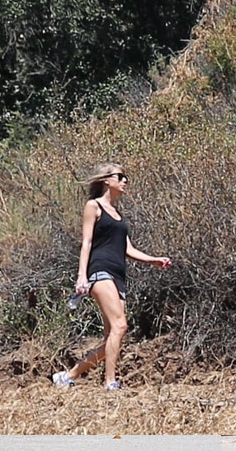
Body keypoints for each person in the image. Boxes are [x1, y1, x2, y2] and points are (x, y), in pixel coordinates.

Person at [52, 163, 171, 390]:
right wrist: (81, 276)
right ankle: (110, 382)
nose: (125, 180)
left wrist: (152, 260)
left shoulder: (118, 215)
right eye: (121, 176)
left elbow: (128, 249)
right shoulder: (93, 206)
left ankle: (68, 376)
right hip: (100, 270)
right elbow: (86, 242)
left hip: (118, 274)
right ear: (106, 180)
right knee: (121, 326)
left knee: (112, 338)